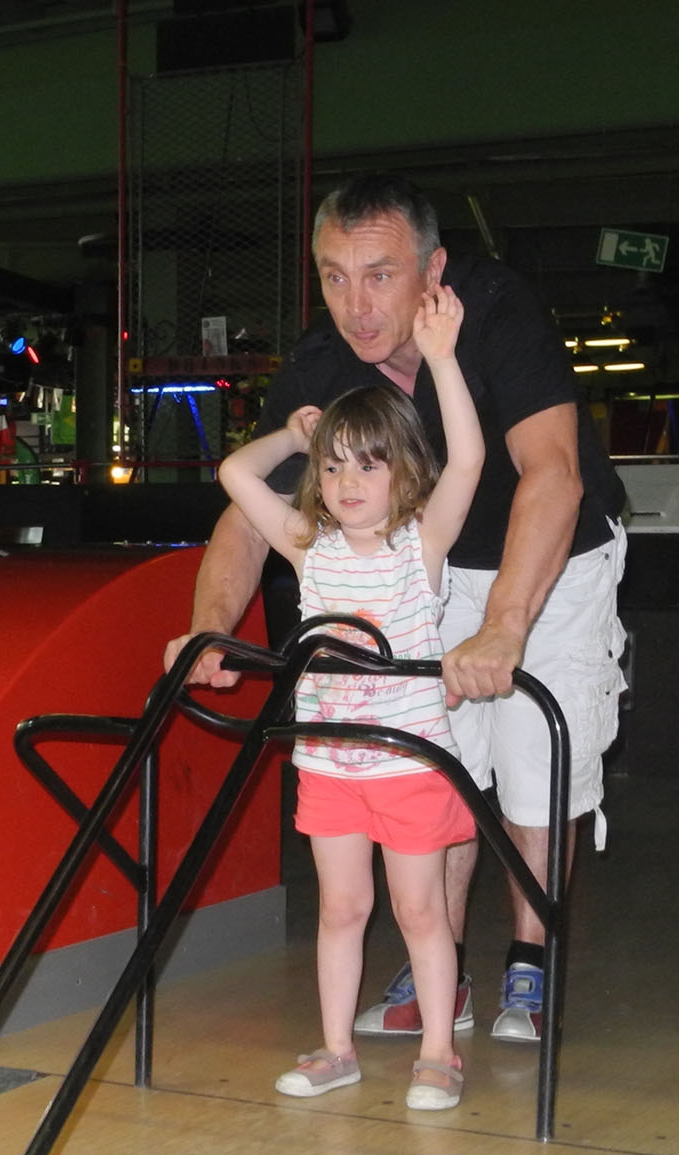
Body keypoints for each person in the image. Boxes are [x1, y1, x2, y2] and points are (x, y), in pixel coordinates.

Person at [167, 173, 628, 1045]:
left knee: (533, 762)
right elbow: (251, 514)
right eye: (335, 277)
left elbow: (553, 473)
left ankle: (529, 960)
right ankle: (438, 965)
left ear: (433, 269)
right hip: (419, 570)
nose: (357, 305)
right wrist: (211, 627)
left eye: (380, 275)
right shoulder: (323, 363)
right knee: (435, 766)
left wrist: (504, 624)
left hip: (550, 552)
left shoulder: (496, 315)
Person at [214, 284, 483, 1109]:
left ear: (405, 473)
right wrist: (292, 435)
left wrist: (441, 360)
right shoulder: (311, 547)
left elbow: (468, 461)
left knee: (419, 909)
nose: (347, 480)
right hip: (330, 765)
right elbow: (234, 473)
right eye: (333, 466)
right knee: (340, 908)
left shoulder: (418, 547)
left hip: (407, 765)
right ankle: (337, 1048)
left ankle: (438, 1050)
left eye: (368, 463)